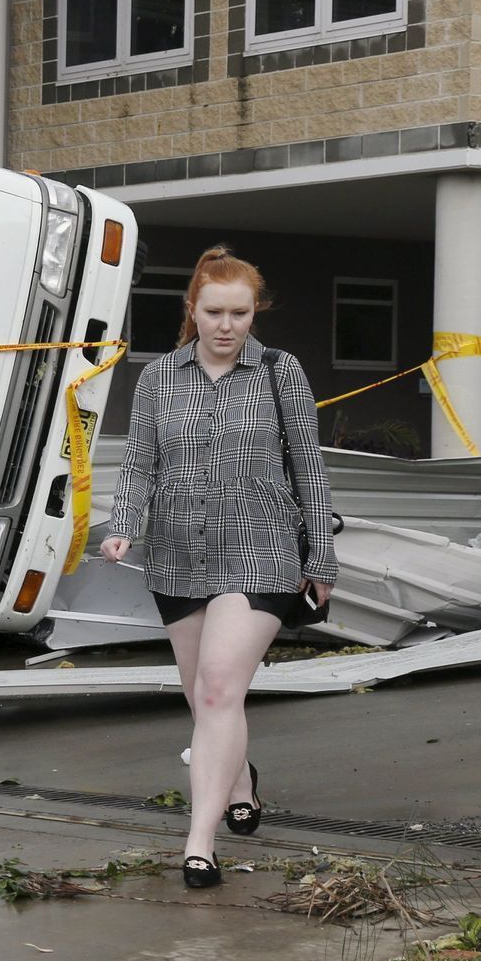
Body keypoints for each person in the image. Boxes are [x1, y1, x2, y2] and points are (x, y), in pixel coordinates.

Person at [100, 246, 337, 889]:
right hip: (178, 553)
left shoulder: (280, 371)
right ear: (192, 310)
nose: (227, 325)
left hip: (262, 549)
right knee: (205, 699)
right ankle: (239, 780)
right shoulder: (158, 379)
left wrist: (321, 556)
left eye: (240, 312)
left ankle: (199, 844)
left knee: (216, 689)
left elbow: (308, 469)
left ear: (254, 311)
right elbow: (141, 463)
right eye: (215, 312)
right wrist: (124, 525)